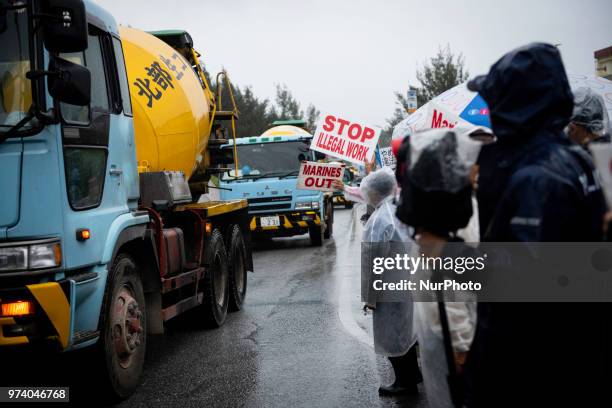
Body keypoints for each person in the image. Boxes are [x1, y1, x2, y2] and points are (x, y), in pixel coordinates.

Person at [465, 42, 610, 407]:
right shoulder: (574, 159)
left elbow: (527, 297)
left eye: (494, 97)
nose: (489, 108)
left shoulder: (536, 178)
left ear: (517, 102)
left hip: (533, 377)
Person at [333, 167, 422, 396]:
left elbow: (372, 265)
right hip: (414, 283)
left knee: (393, 336)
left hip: (390, 289)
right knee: (410, 332)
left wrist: (370, 298)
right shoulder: (405, 207)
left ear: (373, 194)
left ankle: (405, 382)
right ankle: (414, 374)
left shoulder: (379, 221)